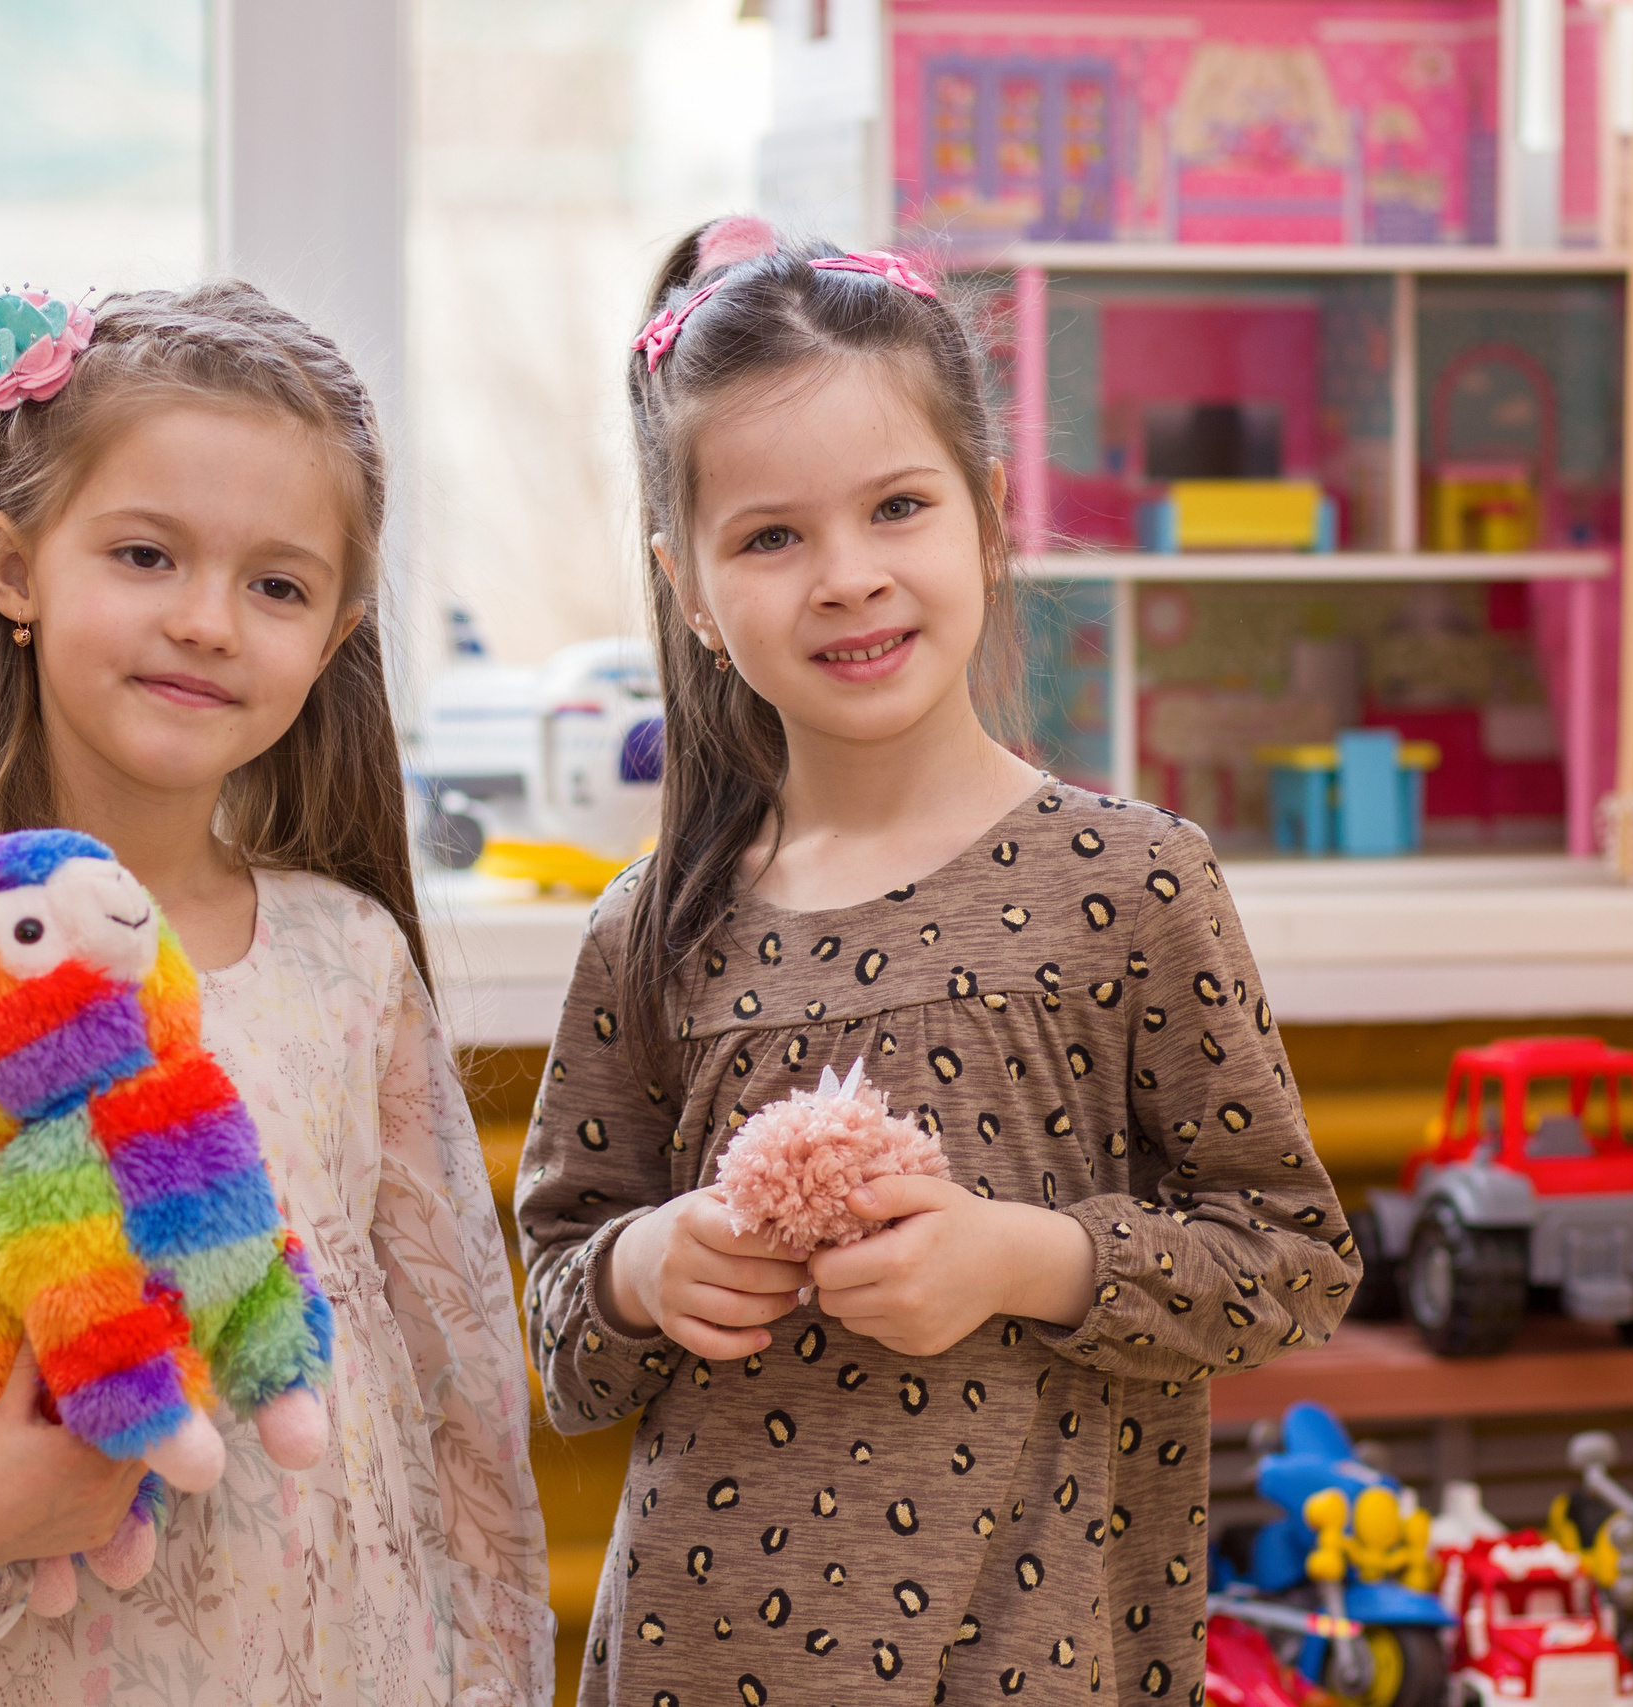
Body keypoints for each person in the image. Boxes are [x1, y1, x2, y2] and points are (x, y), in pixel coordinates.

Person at [515, 218, 1359, 1706]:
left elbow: (1290, 1266)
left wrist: (1020, 1258)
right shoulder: (646, 935)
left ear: (986, 513)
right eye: (771, 537)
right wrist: (646, 1272)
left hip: (1040, 1656)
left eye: (896, 508)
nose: (846, 577)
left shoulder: (1133, 885)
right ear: (692, 590)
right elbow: (565, 1326)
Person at [0, 282, 550, 1706]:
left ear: (334, 635)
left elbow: (459, 1393)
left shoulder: (353, 963)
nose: (209, 621)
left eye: (276, 584)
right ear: (15, 571)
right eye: (147, 554)